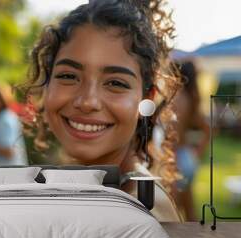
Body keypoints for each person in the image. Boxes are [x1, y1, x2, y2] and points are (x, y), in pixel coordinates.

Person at [22, 0, 183, 221]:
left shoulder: (140, 214)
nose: (88, 102)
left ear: (147, 99)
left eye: (116, 83)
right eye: (68, 76)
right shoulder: (97, 191)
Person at [173, 61, 210, 221]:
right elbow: (208, 129)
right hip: (187, 157)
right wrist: (197, 155)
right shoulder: (192, 98)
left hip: (176, 159)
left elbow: (171, 133)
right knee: (189, 211)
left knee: (173, 213)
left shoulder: (177, 99)